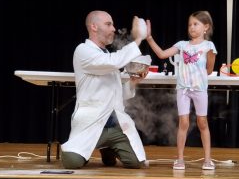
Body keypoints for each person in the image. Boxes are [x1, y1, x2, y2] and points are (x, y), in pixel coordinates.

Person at [61, 10, 149, 169]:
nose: (114, 29)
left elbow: (115, 95)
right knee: (71, 163)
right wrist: (138, 39)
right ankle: (101, 145)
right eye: (108, 24)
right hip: (91, 122)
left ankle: (109, 146)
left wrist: (133, 82)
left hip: (115, 126)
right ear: (94, 27)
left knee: (137, 163)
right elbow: (113, 62)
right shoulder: (83, 51)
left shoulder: (107, 55)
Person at [146, 11, 217, 170]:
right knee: (183, 122)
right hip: (183, 89)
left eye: (195, 24)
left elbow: (209, 69)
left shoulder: (208, 46)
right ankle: (179, 159)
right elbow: (162, 54)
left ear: (206, 27)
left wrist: (197, 78)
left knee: (202, 122)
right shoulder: (181, 45)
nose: (191, 27)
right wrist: (149, 38)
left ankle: (207, 159)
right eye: (189, 24)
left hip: (199, 89)